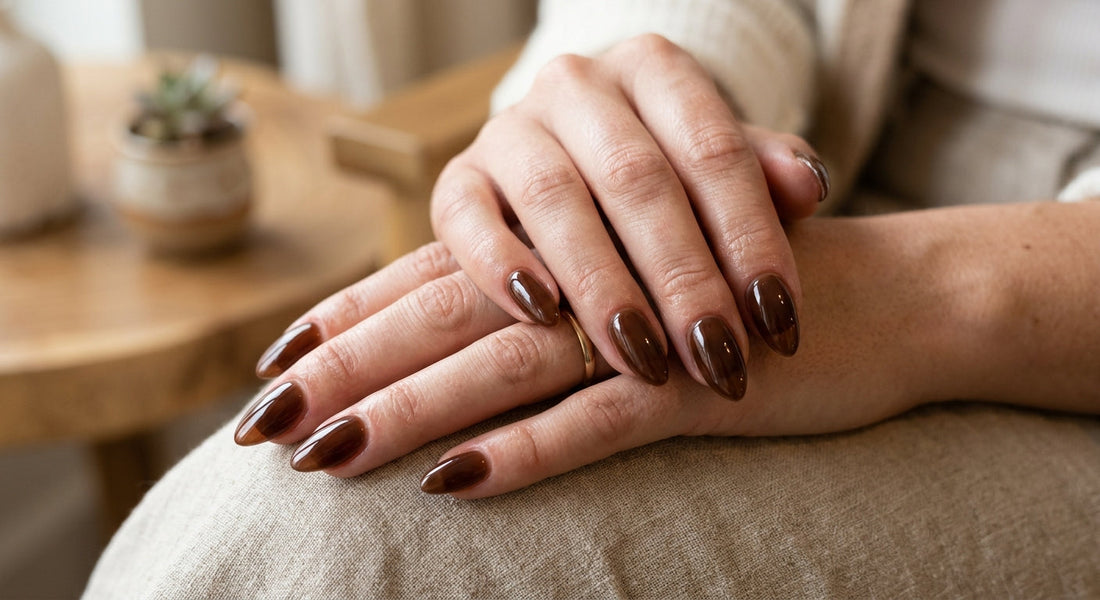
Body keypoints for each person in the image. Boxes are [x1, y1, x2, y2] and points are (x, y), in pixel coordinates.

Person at [84, 1, 1100, 597]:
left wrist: (923, 287)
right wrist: (645, 115)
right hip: (828, 158)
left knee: (346, 553)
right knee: (293, 498)